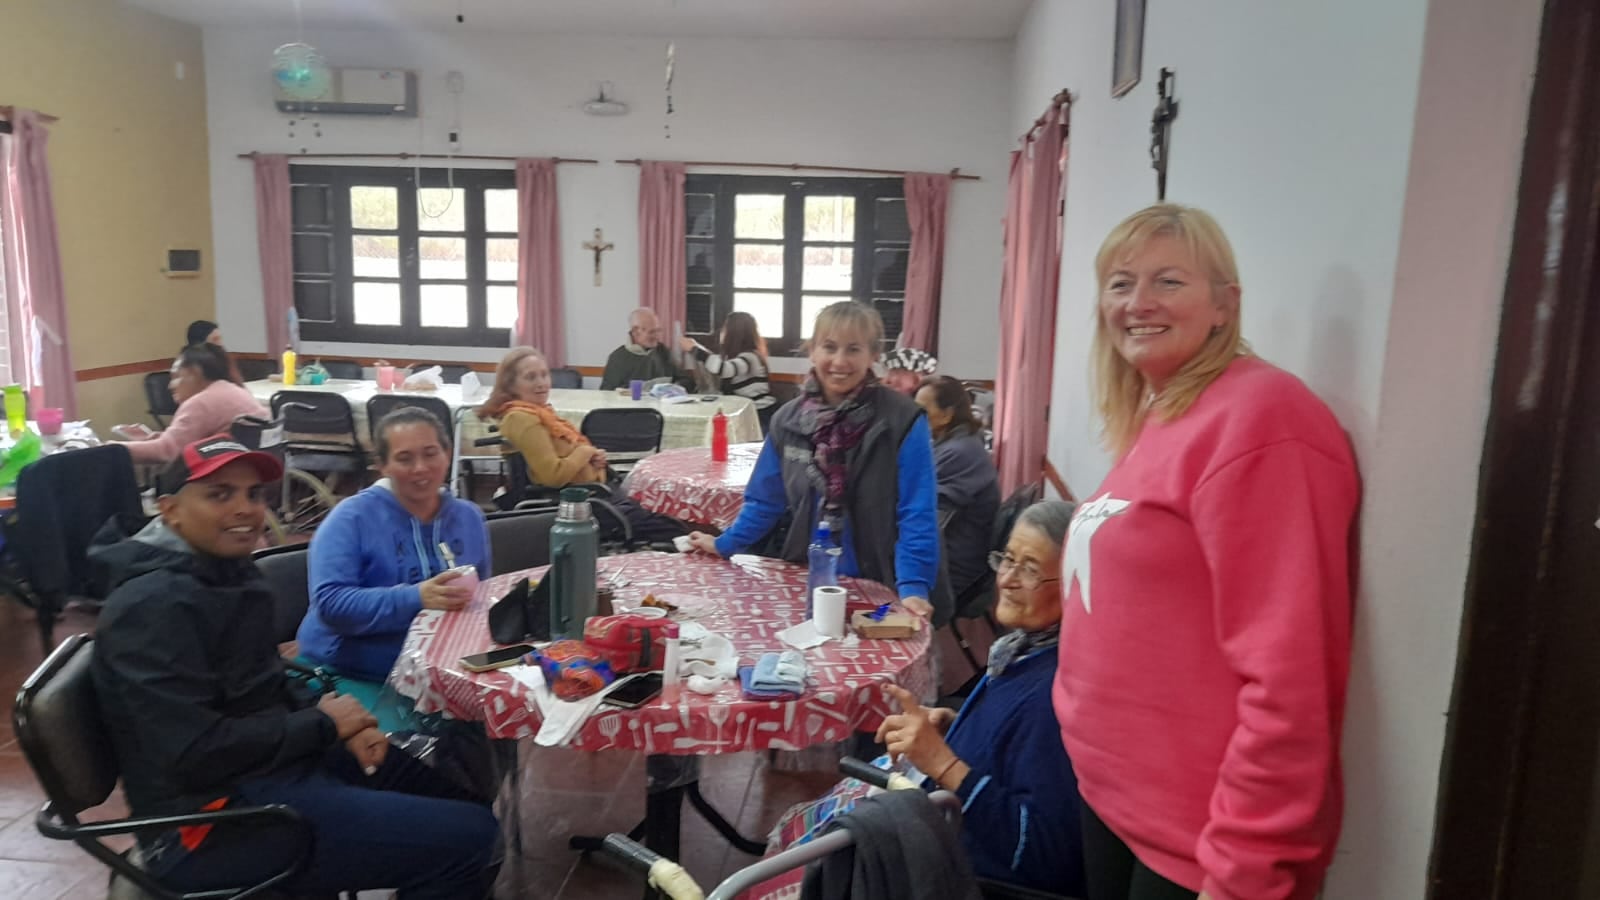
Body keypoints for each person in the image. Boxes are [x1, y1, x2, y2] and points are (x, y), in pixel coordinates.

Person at [1055, 204, 1359, 900]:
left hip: (1199, 840)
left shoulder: (1265, 420)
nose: (1139, 303)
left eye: (1169, 281)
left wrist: (1249, 863)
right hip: (1113, 799)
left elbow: (1293, 676)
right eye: (1120, 283)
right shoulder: (1164, 412)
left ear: (1226, 305)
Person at [90, 435, 498, 898]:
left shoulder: (228, 575)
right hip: (208, 822)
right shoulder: (151, 607)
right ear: (170, 510)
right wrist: (322, 725)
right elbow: (191, 753)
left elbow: (264, 682)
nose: (245, 509)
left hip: (272, 767)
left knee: (460, 798)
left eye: (253, 494)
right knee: (469, 836)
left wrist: (344, 720)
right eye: (219, 494)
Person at [687, 301, 949, 624]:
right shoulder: (788, 421)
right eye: (829, 347)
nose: (840, 361)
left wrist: (913, 587)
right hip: (810, 576)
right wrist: (725, 543)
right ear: (812, 351)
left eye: (853, 349)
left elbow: (916, 511)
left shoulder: (903, 420)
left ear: (874, 356)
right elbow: (765, 501)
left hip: (885, 581)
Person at [872, 500, 1083, 896]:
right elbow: (1014, 750)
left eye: (1031, 569)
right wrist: (956, 726)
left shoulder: (1057, 693)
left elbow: (1039, 853)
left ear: (1073, 586)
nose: (1006, 579)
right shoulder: (1024, 652)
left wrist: (941, 760)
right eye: (1007, 559)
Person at [297, 407, 490, 711]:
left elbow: (481, 594)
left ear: (448, 453)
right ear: (381, 465)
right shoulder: (351, 519)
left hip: (444, 669)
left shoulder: (468, 517)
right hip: (351, 670)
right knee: (416, 752)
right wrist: (417, 597)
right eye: (404, 459)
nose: (420, 468)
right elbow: (331, 604)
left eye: (430, 453)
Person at [478, 347, 691, 541]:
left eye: (544, 374)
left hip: (593, 492)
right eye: (530, 377)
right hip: (577, 504)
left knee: (663, 512)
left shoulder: (541, 414)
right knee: (671, 528)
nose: (541, 383)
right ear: (511, 385)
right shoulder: (522, 418)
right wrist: (585, 451)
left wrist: (591, 460)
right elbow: (553, 475)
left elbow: (565, 457)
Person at [914, 375, 999, 600]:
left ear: (947, 414)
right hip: (951, 556)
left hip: (955, 567)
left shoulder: (960, 452)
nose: (914, 416)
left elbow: (926, 515)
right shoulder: (956, 444)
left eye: (922, 409)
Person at [112, 344, 267, 465]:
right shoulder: (231, 390)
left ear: (194, 373)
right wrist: (152, 437)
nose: (170, 385)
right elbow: (188, 440)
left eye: (175, 376)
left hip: (223, 480)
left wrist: (111, 448)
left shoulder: (202, 402)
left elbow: (166, 451)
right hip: (252, 474)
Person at [679, 310, 777, 427]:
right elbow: (718, 364)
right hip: (751, 412)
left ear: (734, 333)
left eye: (725, 328)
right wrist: (697, 348)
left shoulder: (750, 357)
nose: (722, 332)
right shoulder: (742, 356)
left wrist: (694, 349)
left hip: (760, 414)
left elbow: (723, 369)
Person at [599, 307, 683, 390]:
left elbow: (684, 380)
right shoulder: (617, 358)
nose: (657, 336)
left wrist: (675, 386)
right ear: (635, 332)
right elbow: (607, 394)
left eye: (658, 330)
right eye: (652, 332)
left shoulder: (663, 352)